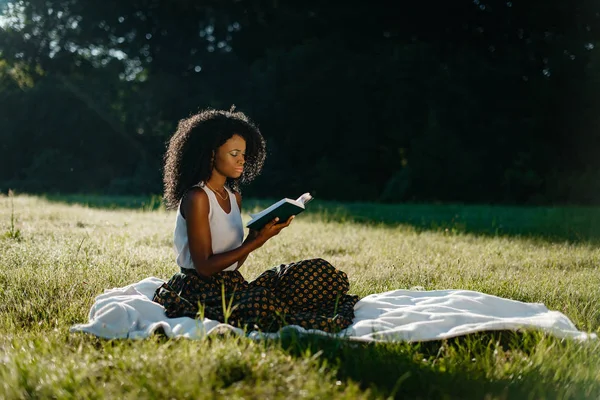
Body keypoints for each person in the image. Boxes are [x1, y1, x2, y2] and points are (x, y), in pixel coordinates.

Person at [153, 107, 359, 333]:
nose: (242, 160)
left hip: (233, 285)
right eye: (234, 154)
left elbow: (232, 264)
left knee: (315, 272)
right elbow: (204, 268)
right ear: (211, 154)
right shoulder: (197, 197)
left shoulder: (234, 197)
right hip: (197, 291)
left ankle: (273, 305)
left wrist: (255, 237)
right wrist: (255, 243)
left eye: (243, 153)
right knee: (262, 302)